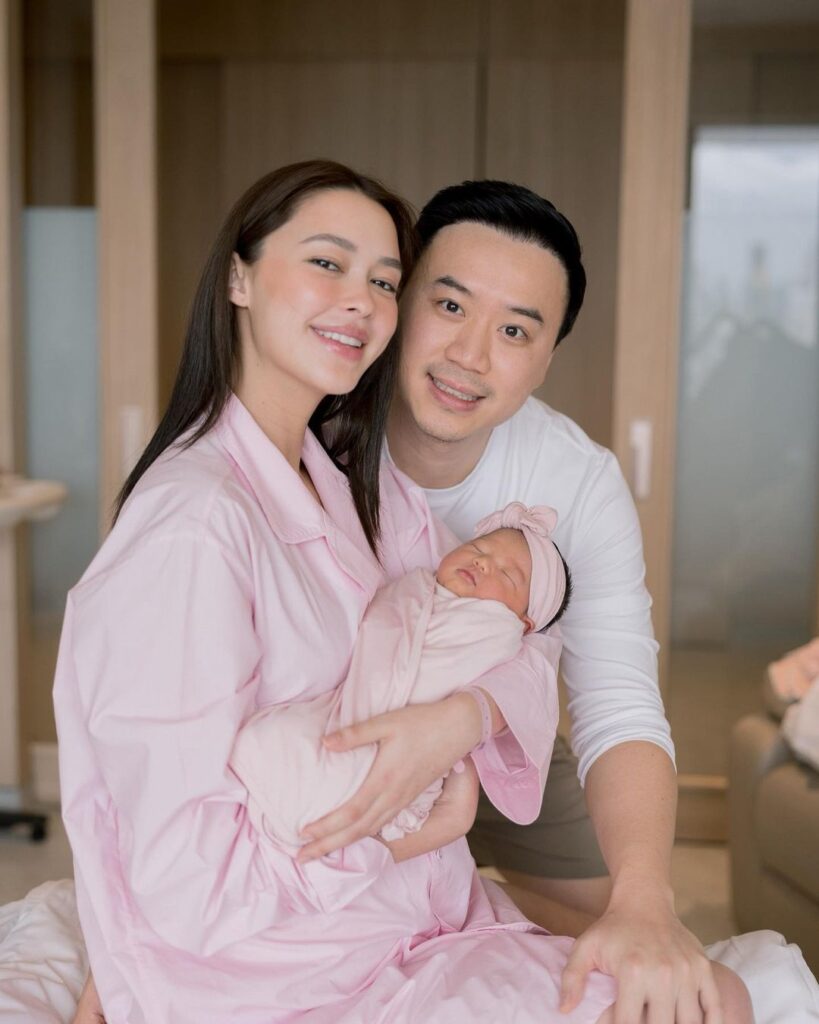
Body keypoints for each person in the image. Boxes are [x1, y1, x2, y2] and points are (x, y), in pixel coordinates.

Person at [57, 159, 624, 1023]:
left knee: (696, 991)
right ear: (239, 277)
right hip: (291, 970)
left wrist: (464, 718)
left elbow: (521, 627)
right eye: (327, 263)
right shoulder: (193, 528)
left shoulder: (352, 483)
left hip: (405, 923)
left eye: (383, 281)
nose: (359, 301)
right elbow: (189, 882)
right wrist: (410, 835)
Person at [291, 179, 752, 1022]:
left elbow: (619, 703)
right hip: (329, 736)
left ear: (544, 362)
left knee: (649, 965)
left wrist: (645, 899)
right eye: (449, 305)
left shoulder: (576, 481)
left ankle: (477, 905)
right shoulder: (309, 428)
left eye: (513, 331)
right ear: (398, 303)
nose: (470, 354)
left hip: (503, 746)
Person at [231, 502, 571, 856]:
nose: (483, 563)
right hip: (347, 706)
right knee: (271, 738)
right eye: (478, 548)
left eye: (507, 575)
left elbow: (526, 679)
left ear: (524, 624)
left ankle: (310, 814)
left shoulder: (497, 632)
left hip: (404, 736)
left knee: (310, 762)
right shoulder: (418, 584)